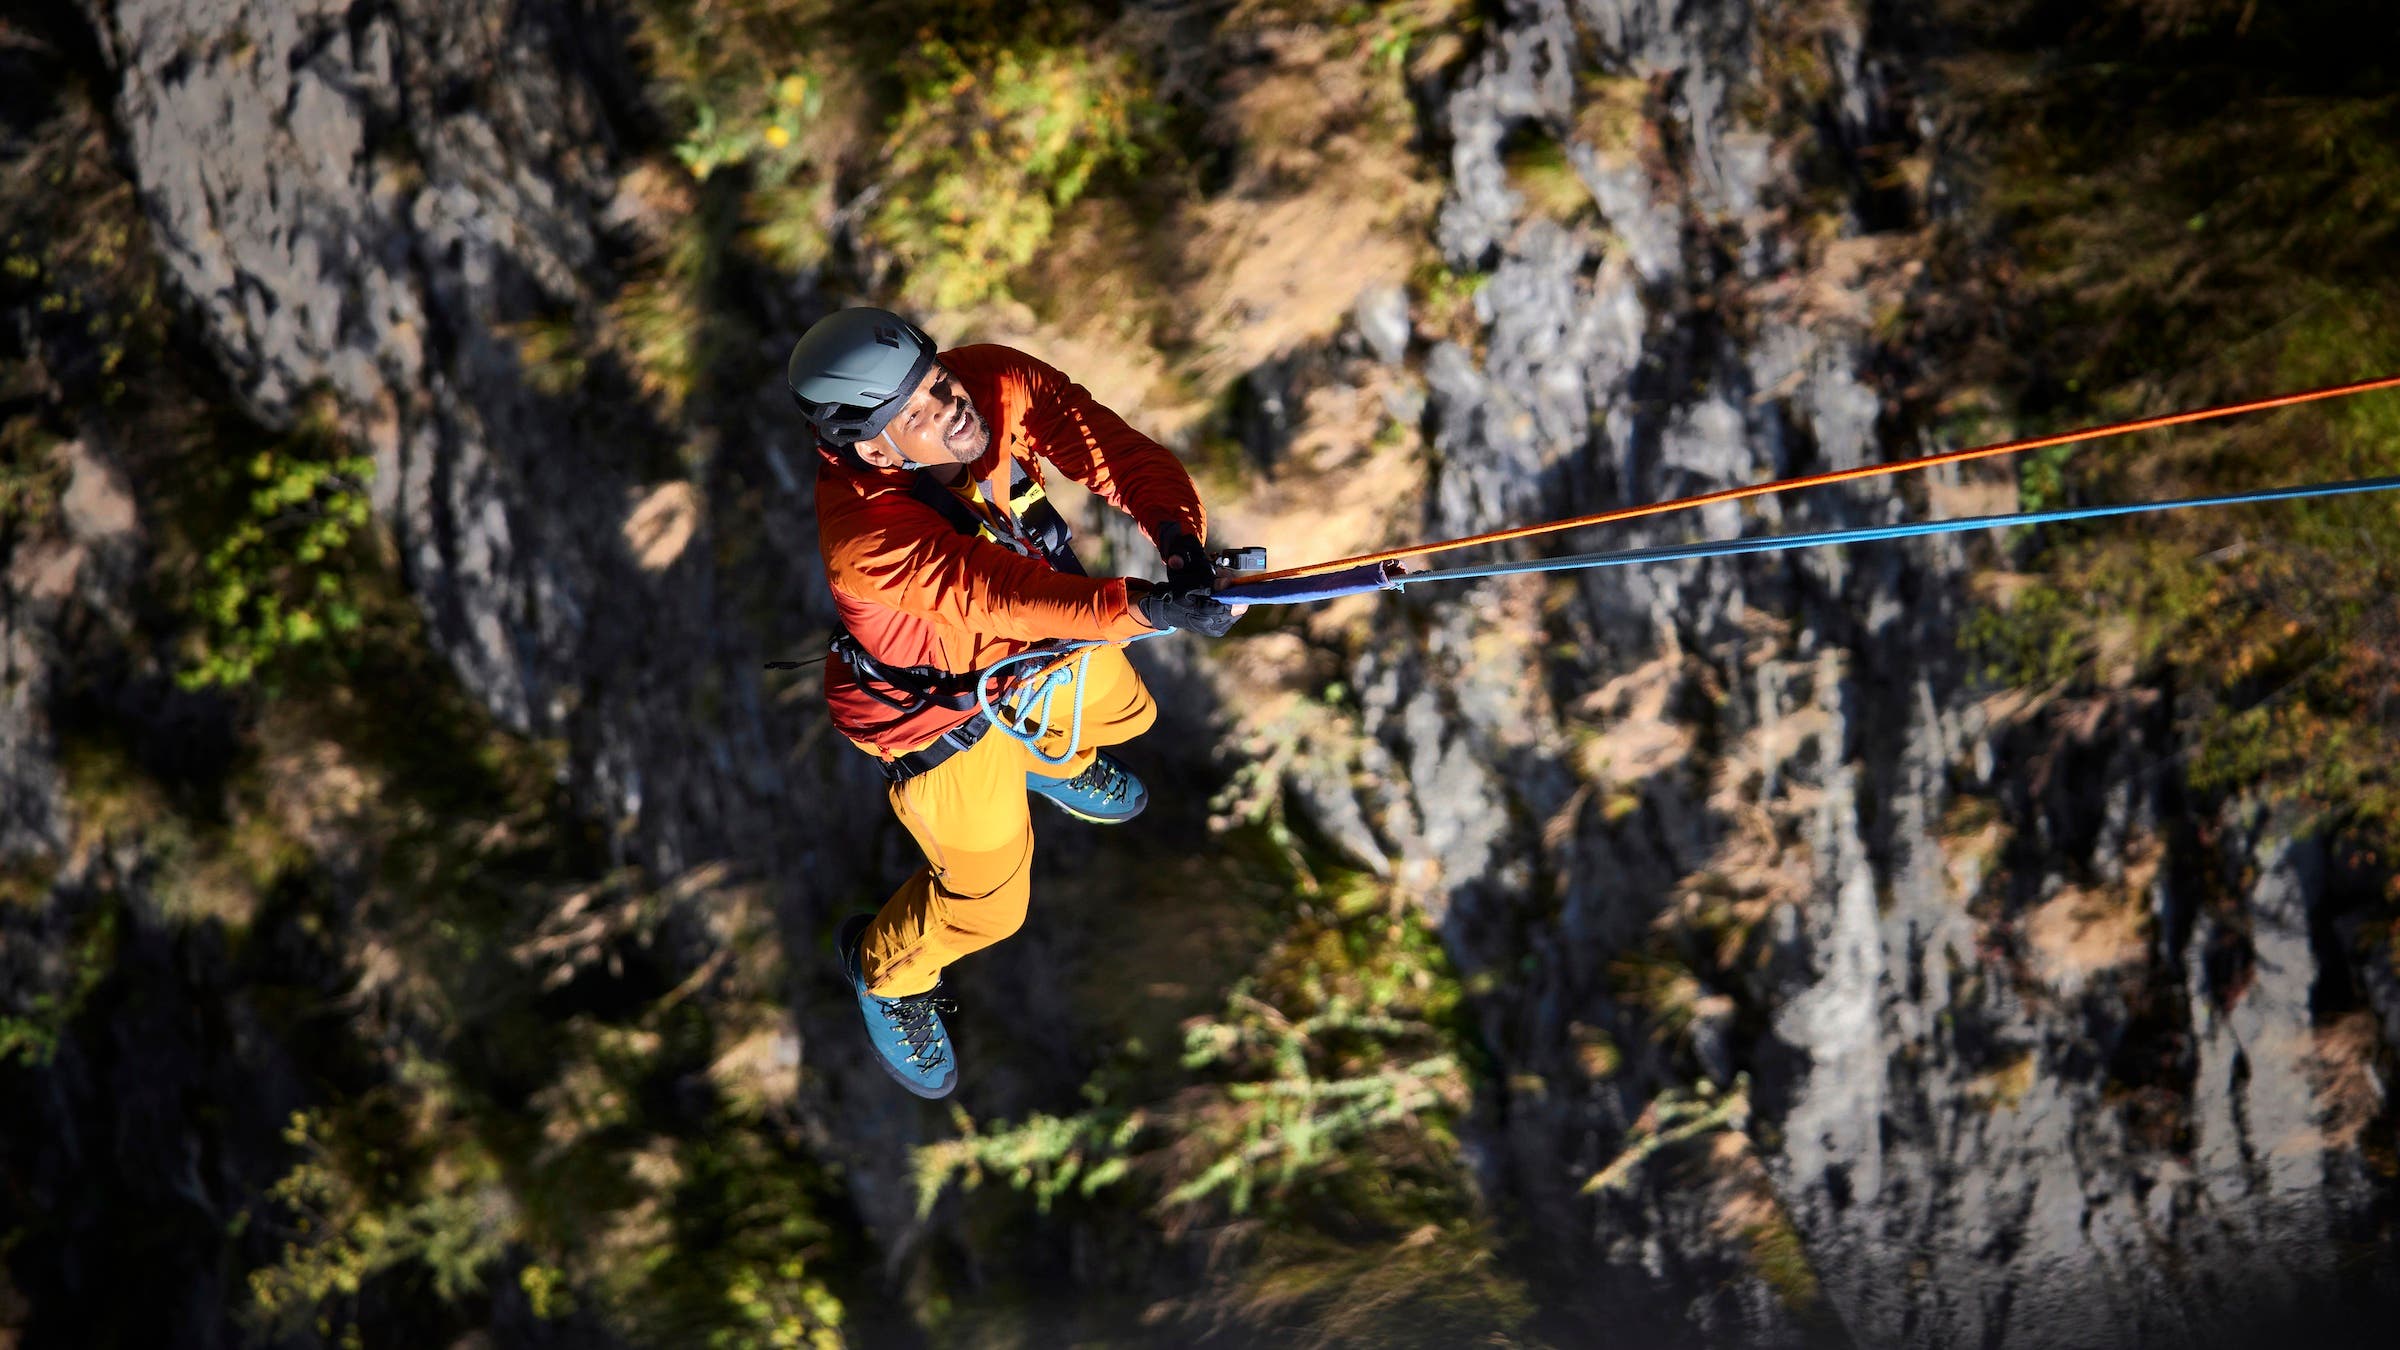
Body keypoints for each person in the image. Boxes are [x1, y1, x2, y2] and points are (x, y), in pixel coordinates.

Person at [787, 307, 1243, 1098]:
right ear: (872, 449)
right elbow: (1002, 594)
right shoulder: (868, 540)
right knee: (991, 906)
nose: (950, 400)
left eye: (936, 375)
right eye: (921, 410)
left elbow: (1112, 450)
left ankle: (1043, 755)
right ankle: (884, 973)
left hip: (1033, 650)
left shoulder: (993, 383)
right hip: (936, 723)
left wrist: (1178, 540)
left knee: (1128, 712)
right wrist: (1145, 609)